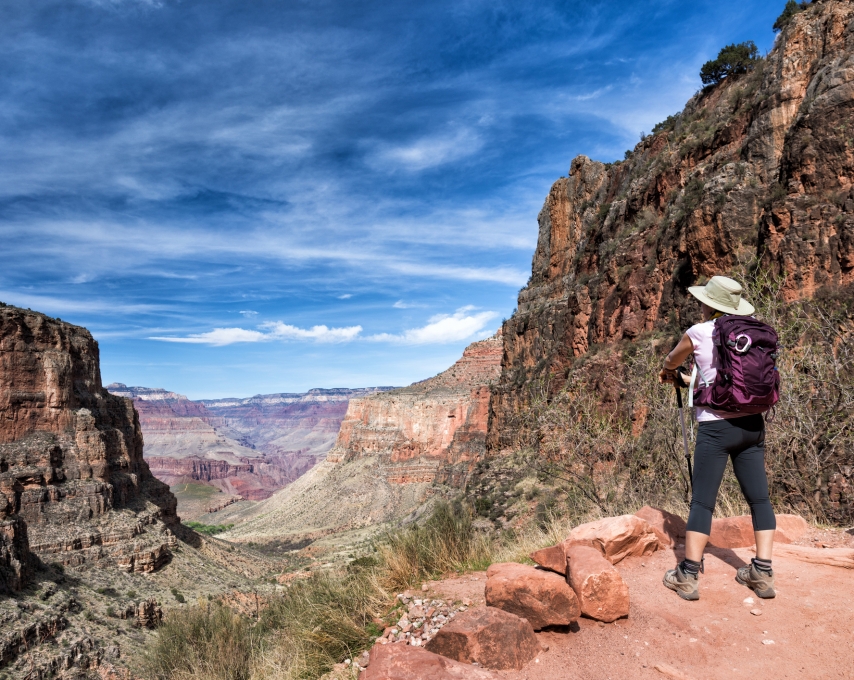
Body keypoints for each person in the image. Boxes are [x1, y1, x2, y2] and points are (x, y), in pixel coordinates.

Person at [658, 276, 776, 601]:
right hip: (752, 424)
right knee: (760, 500)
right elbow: (716, 375)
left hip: (716, 428)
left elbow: (672, 360)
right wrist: (688, 379)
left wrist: (668, 370)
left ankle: (687, 574)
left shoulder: (698, 332)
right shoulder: (751, 332)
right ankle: (762, 572)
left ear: (709, 303)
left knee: (702, 501)